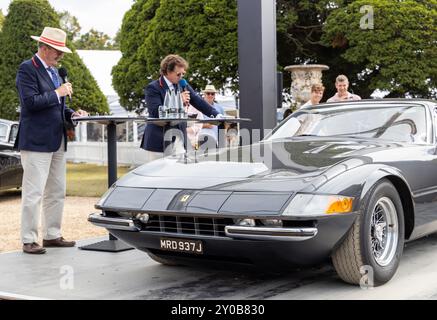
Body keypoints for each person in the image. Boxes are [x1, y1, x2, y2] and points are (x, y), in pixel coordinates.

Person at [15, 27, 88, 254]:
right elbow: (31, 103)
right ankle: (28, 239)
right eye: (57, 51)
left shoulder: (56, 73)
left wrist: (72, 114)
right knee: (34, 192)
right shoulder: (27, 68)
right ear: (44, 48)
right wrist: (59, 93)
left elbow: (57, 107)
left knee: (57, 190)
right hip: (36, 141)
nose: (61, 56)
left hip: (56, 140)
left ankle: (52, 235)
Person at [141, 54, 220, 161]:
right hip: (158, 139)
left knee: (180, 172)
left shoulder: (183, 85)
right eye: (178, 74)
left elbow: (198, 101)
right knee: (157, 175)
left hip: (179, 139)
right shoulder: (153, 88)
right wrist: (178, 100)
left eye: (183, 74)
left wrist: (216, 114)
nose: (181, 77)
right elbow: (155, 112)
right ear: (168, 72)